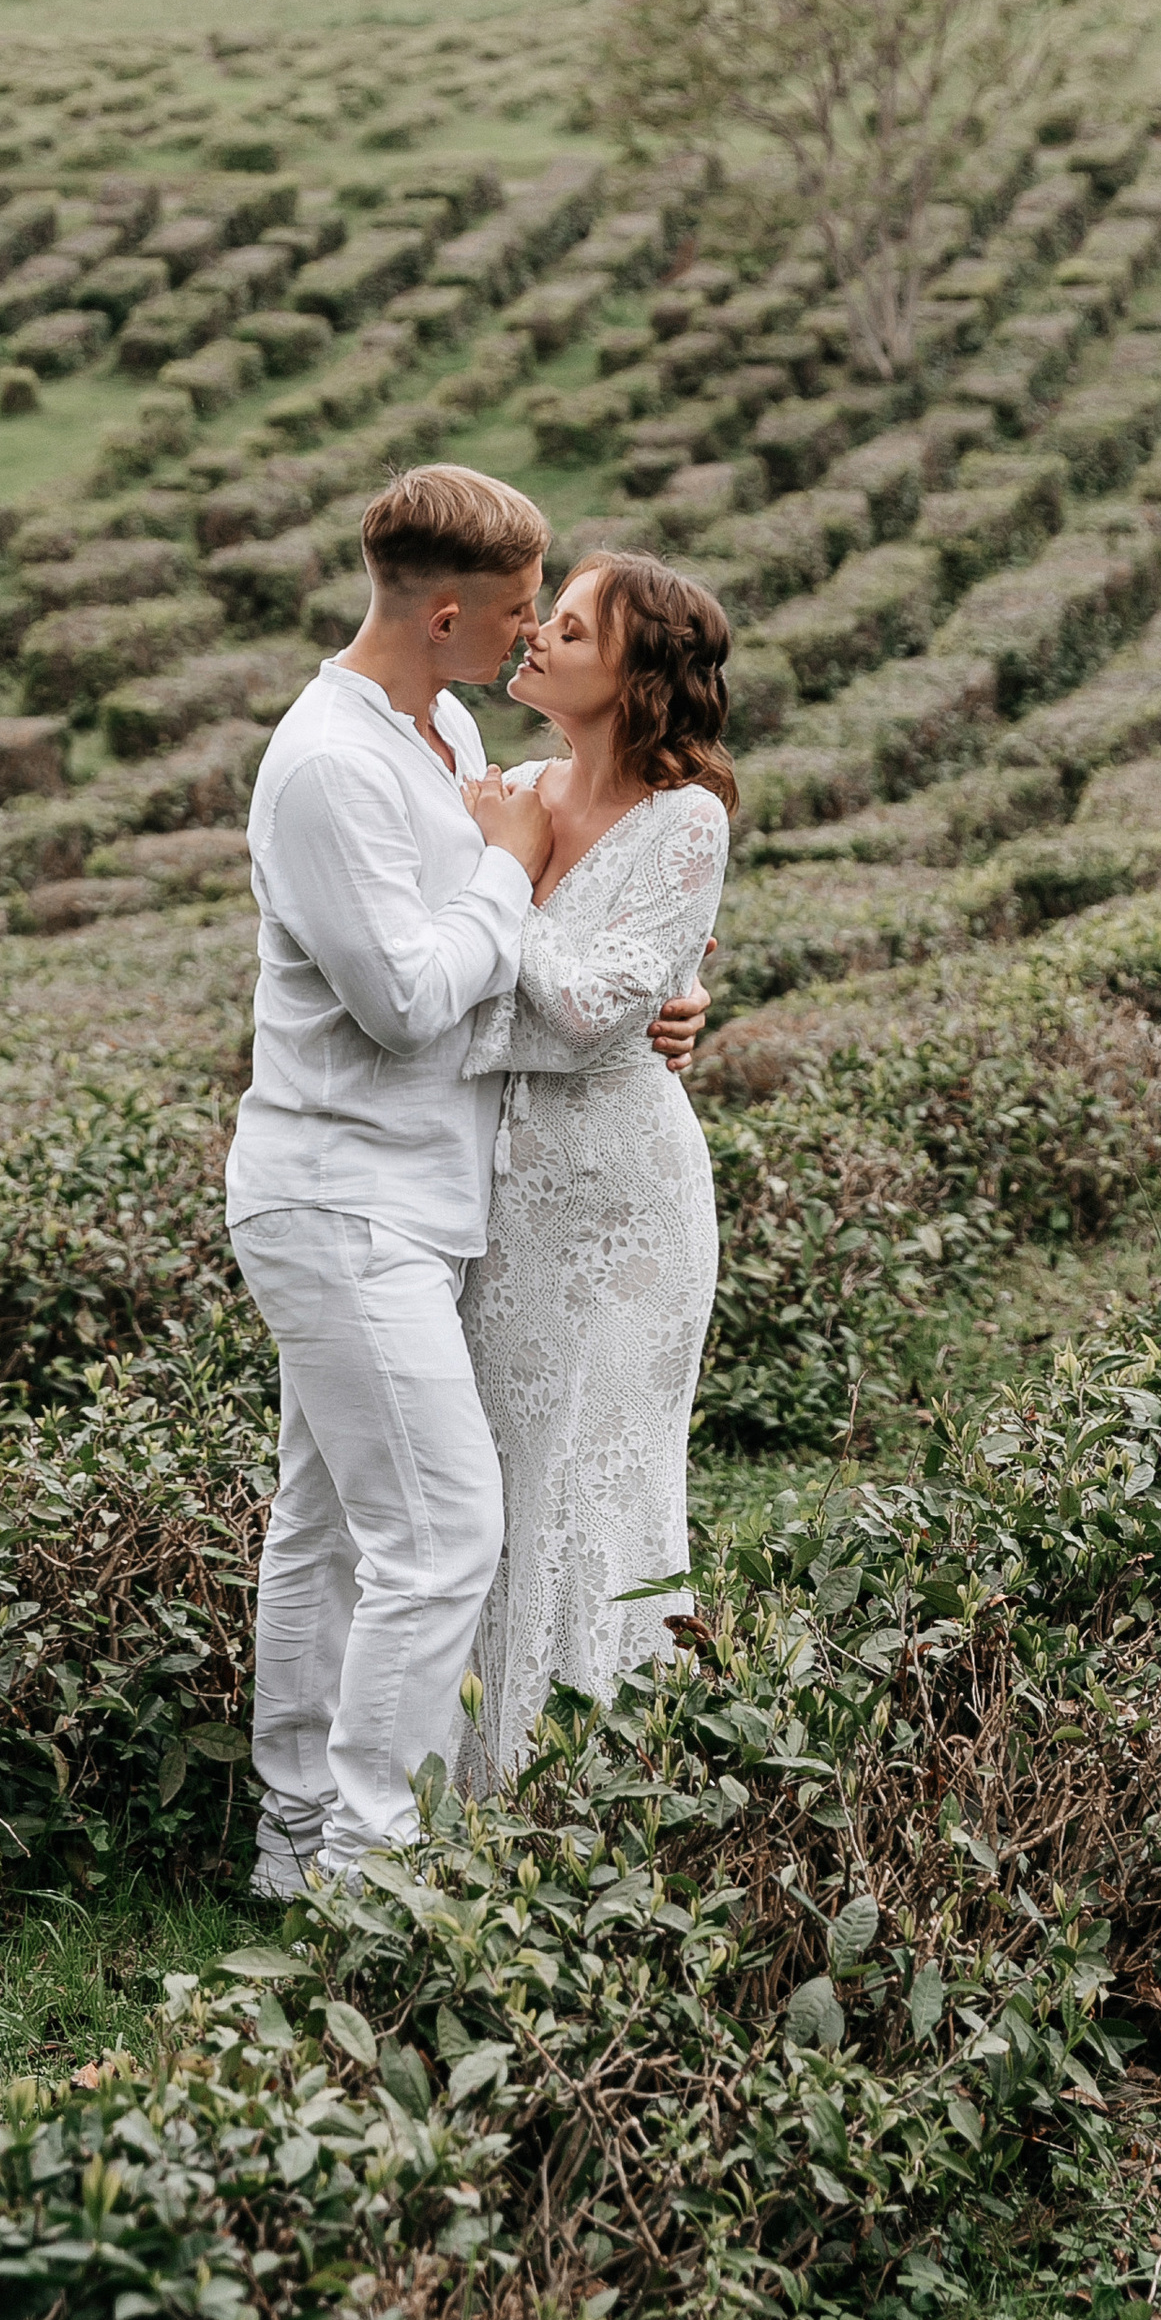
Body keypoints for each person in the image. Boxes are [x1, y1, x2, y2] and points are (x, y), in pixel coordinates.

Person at [225, 465, 707, 1895]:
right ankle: (376, 1871)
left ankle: (291, 1844)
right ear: (444, 614)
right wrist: (504, 874)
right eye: (511, 615)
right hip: (343, 1199)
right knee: (443, 1539)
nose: (522, 643)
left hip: (429, 1198)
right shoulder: (328, 764)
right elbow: (407, 1000)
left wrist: (645, 1008)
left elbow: (581, 939)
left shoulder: (434, 724)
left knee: (323, 1535)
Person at [456, 548, 734, 1788]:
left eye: (571, 630)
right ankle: (470, 1779)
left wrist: (512, 881)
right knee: (504, 1485)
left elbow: (581, 1010)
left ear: (634, 675)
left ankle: (598, 1781)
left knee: (600, 1476)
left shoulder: (687, 817)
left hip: (627, 1210)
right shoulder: (505, 785)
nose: (539, 640)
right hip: (504, 1208)